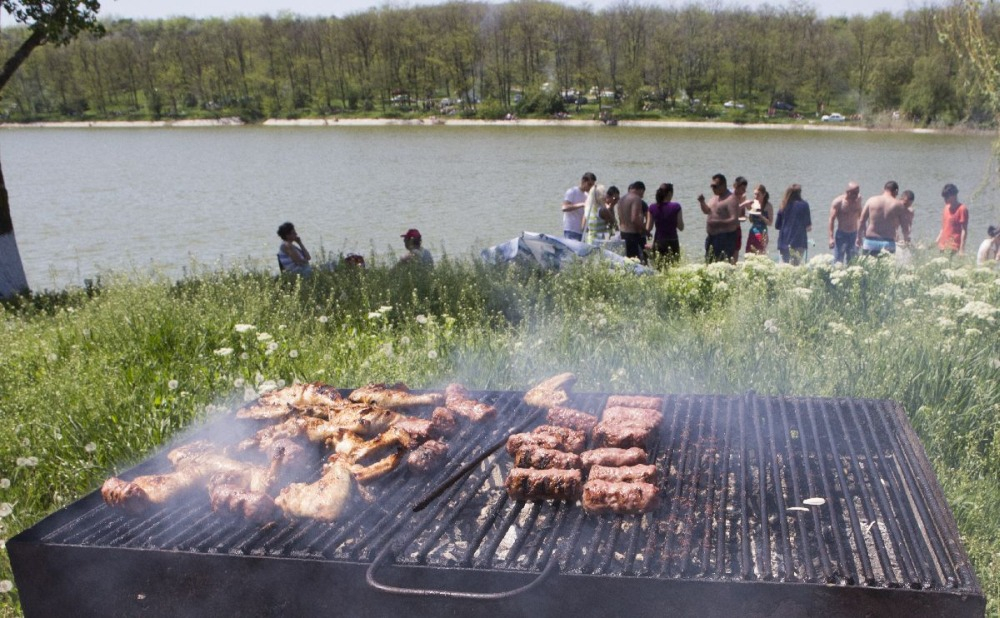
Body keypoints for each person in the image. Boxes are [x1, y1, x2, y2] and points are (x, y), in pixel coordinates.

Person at [857, 180, 910, 256]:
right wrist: (906, 239)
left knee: (868, 267)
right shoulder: (899, 205)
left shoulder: (871, 200)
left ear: (884, 189)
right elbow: (905, 226)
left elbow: (862, 220)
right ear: (896, 191)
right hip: (888, 243)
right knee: (886, 267)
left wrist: (858, 237)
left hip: (870, 242)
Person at [698, 173, 740, 263]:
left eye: (715, 186)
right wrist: (702, 202)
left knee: (722, 265)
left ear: (723, 185)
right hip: (711, 237)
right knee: (709, 263)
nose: (713, 189)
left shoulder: (731, 199)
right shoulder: (714, 197)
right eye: (712, 186)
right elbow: (707, 211)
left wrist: (718, 222)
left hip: (725, 238)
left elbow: (734, 219)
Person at [774, 184, 812, 265]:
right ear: (800, 193)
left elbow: (777, 225)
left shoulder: (783, 205)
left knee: (784, 268)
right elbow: (808, 226)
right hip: (799, 241)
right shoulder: (804, 205)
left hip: (784, 242)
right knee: (795, 267)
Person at [646, 183, 684, 263]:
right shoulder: (676, 206)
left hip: (659, 241)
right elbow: (681, 227)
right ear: (670, 193)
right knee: (674, 266)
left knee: (659, 267)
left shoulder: (652, 207)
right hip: (673, 240)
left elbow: (648, 228)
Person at [828, 181, 862, 263]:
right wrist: (831, 238)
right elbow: (831, 219)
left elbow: (860, 216)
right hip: (842, 235)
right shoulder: (838, 202)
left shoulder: (859, 199)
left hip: (854, 234)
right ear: (848, 192)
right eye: (854, 193)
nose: (856, 195)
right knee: (838, 260)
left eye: (857, 192)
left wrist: (860, 235)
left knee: (853, 260)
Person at [616, 181, 647, 263]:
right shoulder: (636, 199)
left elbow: (620, 217)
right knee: (637, 261)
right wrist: (644, 229)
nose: (642, 196)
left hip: (622, 233)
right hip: (632, 235)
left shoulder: (621, 199)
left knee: (627, 260)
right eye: (642, 193)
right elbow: (634, 219)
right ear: (640, 190)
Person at [936, 183, 969, 255]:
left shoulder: (962, 209)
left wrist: (961, 249)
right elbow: (943, 227)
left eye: (947, 197)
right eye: (944, 197)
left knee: (950, 265)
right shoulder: (946, 208)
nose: (945, 199)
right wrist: (937, 240)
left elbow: (964, 230)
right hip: (942, 245)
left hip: (953, 246)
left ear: (954, 195)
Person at [562, 172, 596, 241]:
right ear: (583, 181)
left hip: (581, 232)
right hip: (571, 230)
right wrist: (582, 204)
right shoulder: (572, 192)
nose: (590, 188)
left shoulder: (587, 195)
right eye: (589, 184)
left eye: (592, 186)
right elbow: (564, 208)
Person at [743, 184, 773, 255]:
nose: (756, 197)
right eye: (755, 194)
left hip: (762, 232)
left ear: (764, 194)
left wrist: (760, 216)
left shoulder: (768, 206)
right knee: (749, 254)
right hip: (753, 231)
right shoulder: (753, 204)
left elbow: (770, 223)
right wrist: (748, 207)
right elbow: (751, 220)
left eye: (758, 195)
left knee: (760, 253)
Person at [731, 176, 749, 263]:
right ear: (735, 186)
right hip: (727, 229)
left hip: (737, 228)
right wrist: (743, 203)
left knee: (736, 250)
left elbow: (742, 214)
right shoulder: (729, 196)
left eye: (745, 189)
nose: (744, 191)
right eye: (742, 189)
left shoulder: (742, 197)